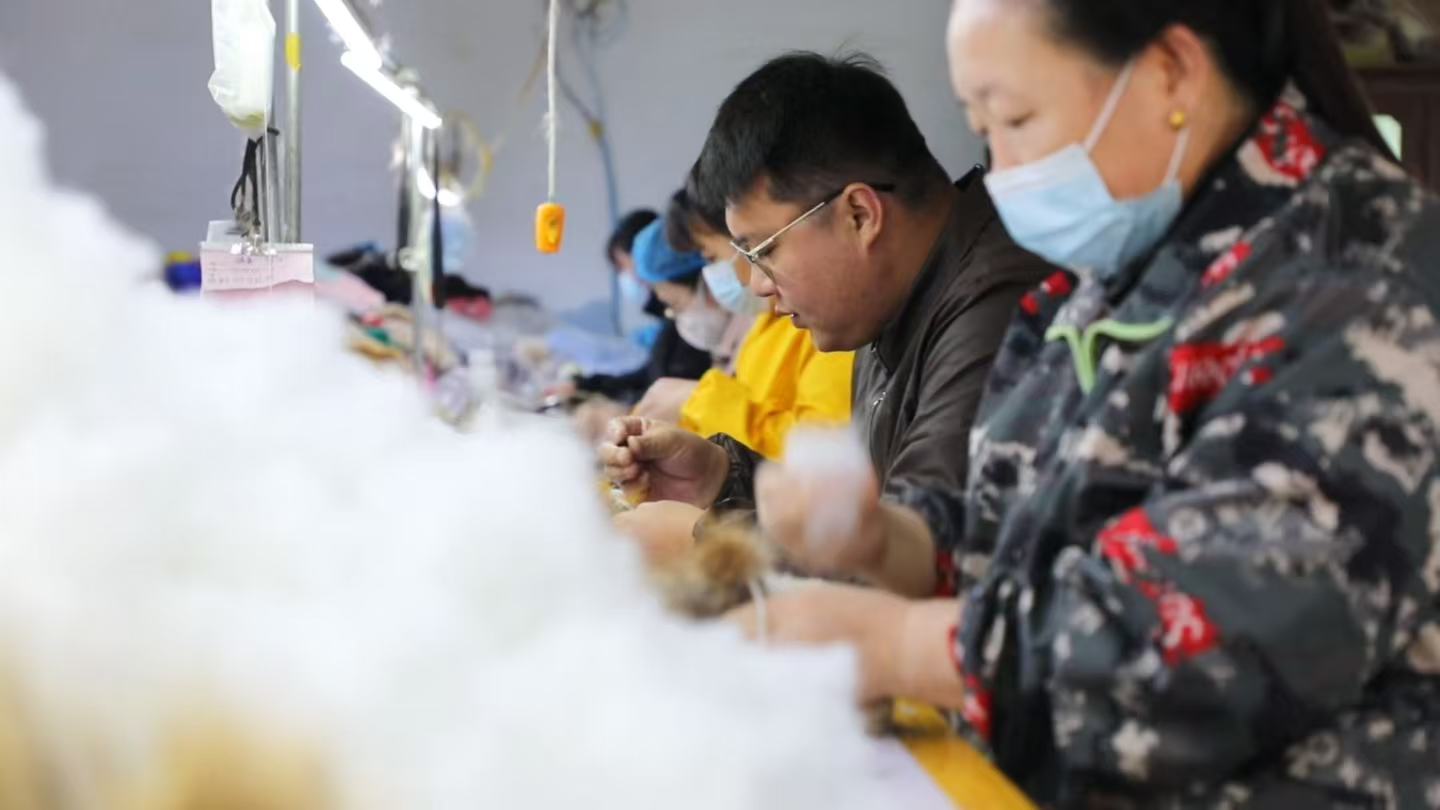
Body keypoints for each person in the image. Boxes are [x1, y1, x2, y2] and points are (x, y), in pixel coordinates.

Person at [713, 1, 1440, 807]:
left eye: (1017, 119)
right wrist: (888, 539)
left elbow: (1198, 650)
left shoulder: (1358, 281)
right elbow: (1022, 524)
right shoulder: (1114, 280)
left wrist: (895, 645)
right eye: (982, 128)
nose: (1001, 168)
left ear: (1172, 72)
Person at [603, 52, 1052, 595]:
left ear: (859, 215)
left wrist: (708, 540)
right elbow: (871, 520)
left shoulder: (999, 308)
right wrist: (723, 478)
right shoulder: (886, 302)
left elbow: (921, 558)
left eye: (763, 251)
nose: (757, 284)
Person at [627, 187, 854, 459]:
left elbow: (825, 456)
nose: (757, 283)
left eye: (711, 257)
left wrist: (699, 400)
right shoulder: (766, 324)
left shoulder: (828, 321)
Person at [551, 213, 712, 407]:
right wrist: (586, 386)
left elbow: (678, 389)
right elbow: (653, 377)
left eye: (623, 266)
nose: (629, 277)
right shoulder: (673, 321)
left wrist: (626, 411)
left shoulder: (698, 326)